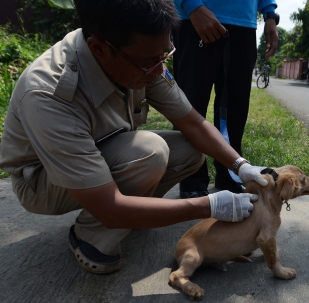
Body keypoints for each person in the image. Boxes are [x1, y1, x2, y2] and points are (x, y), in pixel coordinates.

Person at [0, 0, 270, 274]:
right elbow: (109, 206)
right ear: (99, 49)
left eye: (164, 55)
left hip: (101, 150)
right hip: (44, 182)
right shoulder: (49, 94)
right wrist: (208, 206)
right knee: (150, 153)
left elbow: (194, 124)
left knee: (191, 149)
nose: (157, 70)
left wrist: (240, 166)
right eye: (149, 63)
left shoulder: (140, 54)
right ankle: (91, 235)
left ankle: (138, 213)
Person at [172, 0, 279, 198]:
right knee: (190, 105)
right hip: (194, 17)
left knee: (235, 109)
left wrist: (270, 13)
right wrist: (191, 5)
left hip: (244, 23)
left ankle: (230, 173)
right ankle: (191, 179)